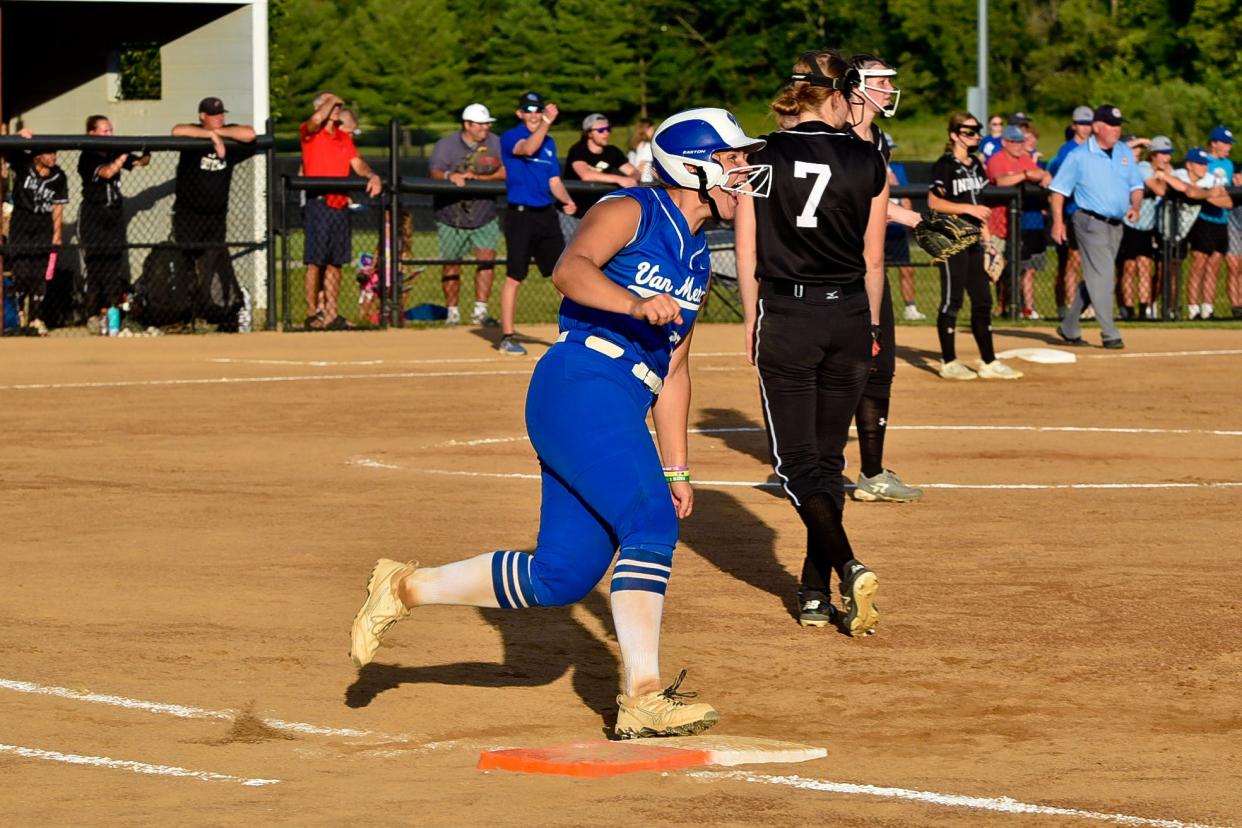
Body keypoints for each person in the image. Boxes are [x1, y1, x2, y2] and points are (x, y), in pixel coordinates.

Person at [349, 107, 768, 739]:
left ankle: (405, 587)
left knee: (560, 576)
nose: (744, 172)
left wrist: (677, 465)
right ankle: (643, 696)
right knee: (648, 521)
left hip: (624, 398)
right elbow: (570, 270)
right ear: (693, 166)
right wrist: (632, 302)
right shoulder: (632, 209)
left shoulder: (700, 261)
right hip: (580, 384)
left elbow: (676, 372)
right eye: (733, 159)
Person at [734, 49, 887, 634]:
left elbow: (746, 252)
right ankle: (814, 590)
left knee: (798, 465)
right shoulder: (868, 157)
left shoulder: (760, 157)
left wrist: (753, 317)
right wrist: (871, 327)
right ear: (836, 93)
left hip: (789, 313)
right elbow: (873, 259)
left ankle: (846, 566)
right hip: (849, 314)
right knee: (826, 461)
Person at [844, 53, 923, 504]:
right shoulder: (833, 137)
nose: (890, 88)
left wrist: (911, 218)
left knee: (881, 368)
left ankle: (871, 472)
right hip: (832, 265)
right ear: (855, 85)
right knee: (838, 368)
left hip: (870, 266)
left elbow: (877, 201)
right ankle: (818, 465)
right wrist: (911, 220)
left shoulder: (879, 138)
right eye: (881, 81)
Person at [927, 113, 1024, 379]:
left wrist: (989, 243)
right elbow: (934, 203)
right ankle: (949, 362)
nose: (975, 135)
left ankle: (989, 362)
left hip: (974, 240)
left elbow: (981, 211)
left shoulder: (976, 167)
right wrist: (967, 208)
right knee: (952, 299)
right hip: (951, 238)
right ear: (954, 135)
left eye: (976, 131)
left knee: (982, 300)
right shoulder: (944, 165)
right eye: (968, 131)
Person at [1049, 105, 1144, 349]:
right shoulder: (1079, 155)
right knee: (1104, 276)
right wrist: (1058, 222)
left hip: (1117, 224)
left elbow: (1136, 185)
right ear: (1097, 127)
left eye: (1119, 124)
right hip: (1089, 221)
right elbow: (1058, 192)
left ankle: (1069, 326)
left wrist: (1136, 206)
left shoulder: (1124, 151)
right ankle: (1110, 333)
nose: (1117, 129)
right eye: (1112, 125)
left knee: (1097, 277)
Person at [497, 91, 577, 355]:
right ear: (520, 113)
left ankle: (574, 333)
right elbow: (528, 148)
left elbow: (554, 180)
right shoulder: (511, 136)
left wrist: (567, 200)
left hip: (546, 216)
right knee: (514, 276)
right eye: (528, 110)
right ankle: (507, 336)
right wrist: (546, 122)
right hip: (520, 215)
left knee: (562, 275)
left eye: (537, 110)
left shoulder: (550, 142)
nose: (533, 115)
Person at [298, 91, 383, 330]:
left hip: (340, 204)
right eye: (330, 105)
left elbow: (357, 163)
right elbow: (315, 121)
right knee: (315, 261)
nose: (336, 107)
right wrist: (332, 99)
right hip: (319, 202)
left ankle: (332, 313)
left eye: (338, 105)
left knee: (336, 261)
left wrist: (371, 175)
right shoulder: (310, 133)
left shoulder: (343, 139)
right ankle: (313, 312)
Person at [171, 96, 257, 327]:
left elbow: (250, 134)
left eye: (221, 114)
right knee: (186, 261)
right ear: (202, 116)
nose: (220, 117)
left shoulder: (228, 133)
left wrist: (221, 135)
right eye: (214, 114)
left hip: (216, 216)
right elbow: (176, 131)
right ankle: (184, 315)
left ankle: (213, 311)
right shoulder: (194, 133)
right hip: (189, 214)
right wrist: (210, 135)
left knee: (212, 262)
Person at [430, 103, 505, 327]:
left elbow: (505, 171)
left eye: (487, 124)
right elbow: (434, 170)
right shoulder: (447, 144)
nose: (485, 128)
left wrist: (479, 178)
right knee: (451, 263)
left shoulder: (495, 143)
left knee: (486, 260)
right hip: (452, 214)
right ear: (467, 125)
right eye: (481, 124)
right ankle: (452, 312)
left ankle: (480, 311)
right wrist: (449, 175)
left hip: (484, 212)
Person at [78, 115, 151, 319]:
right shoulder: (88, 156)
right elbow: (108, 172)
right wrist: (124, 153)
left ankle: (113, 311)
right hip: (94, 214)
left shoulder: (115, 151)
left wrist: (147, 148)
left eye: (111, 131)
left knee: (113, 262)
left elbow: (141, 162)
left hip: (114, 213)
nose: (110, 135)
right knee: (95, 263)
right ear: (92, 134)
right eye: (105, 131)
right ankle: (91, 313)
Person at [3, 128, 68, 335]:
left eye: (55, 153)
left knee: (40, 273)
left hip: (43, 223)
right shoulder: (25, 164)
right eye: (48, 153)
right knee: (22, 269)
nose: (53, 157)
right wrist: (19, 135)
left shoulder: (59, 176)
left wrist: (57, 234)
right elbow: (6, 148)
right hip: (22, 219)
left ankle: (36, 318)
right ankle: (19, 313)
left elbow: (58, 206)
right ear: (38, 154)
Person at [986, 124, 1052, 319]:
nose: (1018, 145)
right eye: (1014, 141)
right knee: (994, 268)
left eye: (1021, 141)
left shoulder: (1024, 158)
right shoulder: (997, 159)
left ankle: (1012, 307)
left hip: (1016, 224)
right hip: (996, 224)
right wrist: (1024, 175)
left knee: (1016, 267)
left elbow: (1041, 174)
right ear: (1004, 142)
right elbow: (1000, 181)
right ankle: (994, 307)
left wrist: (1043, 175)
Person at [1048, 106, 1095, 319]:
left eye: (1088, 124)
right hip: (1073, 212)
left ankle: (1089, 305)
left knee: (1092, 263)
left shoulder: (1096, 148)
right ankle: (1070, 307)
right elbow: (1059, 186)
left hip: (1093, 213)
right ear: (1074, 125)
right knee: (1072, 261)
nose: (1085, 128)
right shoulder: (1068, 151)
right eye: (1082, 124)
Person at [1185, 126, 1235, 319]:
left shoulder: (1229, 165)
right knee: (1199, 264)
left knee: (1214, 265)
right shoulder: (1203, 161)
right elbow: (1197, 190)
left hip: (1221, 219)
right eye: (1224, 143)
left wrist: (1216, 196)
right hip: (1203, 218)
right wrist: (1211, 195)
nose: (1228, 147)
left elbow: (1226, 195)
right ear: (1213, 143)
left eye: (1229, 144)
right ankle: (1193, 309)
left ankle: (1208, 307)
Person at [562, 113, 638, 231]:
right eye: (601, 130)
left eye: (608, 129)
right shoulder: (578, 150)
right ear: (589, 133)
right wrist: (619, 179)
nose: (606, 133)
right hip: (574, 212)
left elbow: (633, 171)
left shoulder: (612, 151)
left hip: (600, 213)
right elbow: (585, 174)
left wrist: (632, 179)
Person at [627, 118, 656, 183]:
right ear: (646, 130)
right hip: (645, 181)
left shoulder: (635, 145)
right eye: (652, 129)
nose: (653, 132)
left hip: (635, 179)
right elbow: (642, 165)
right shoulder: (647, 146)